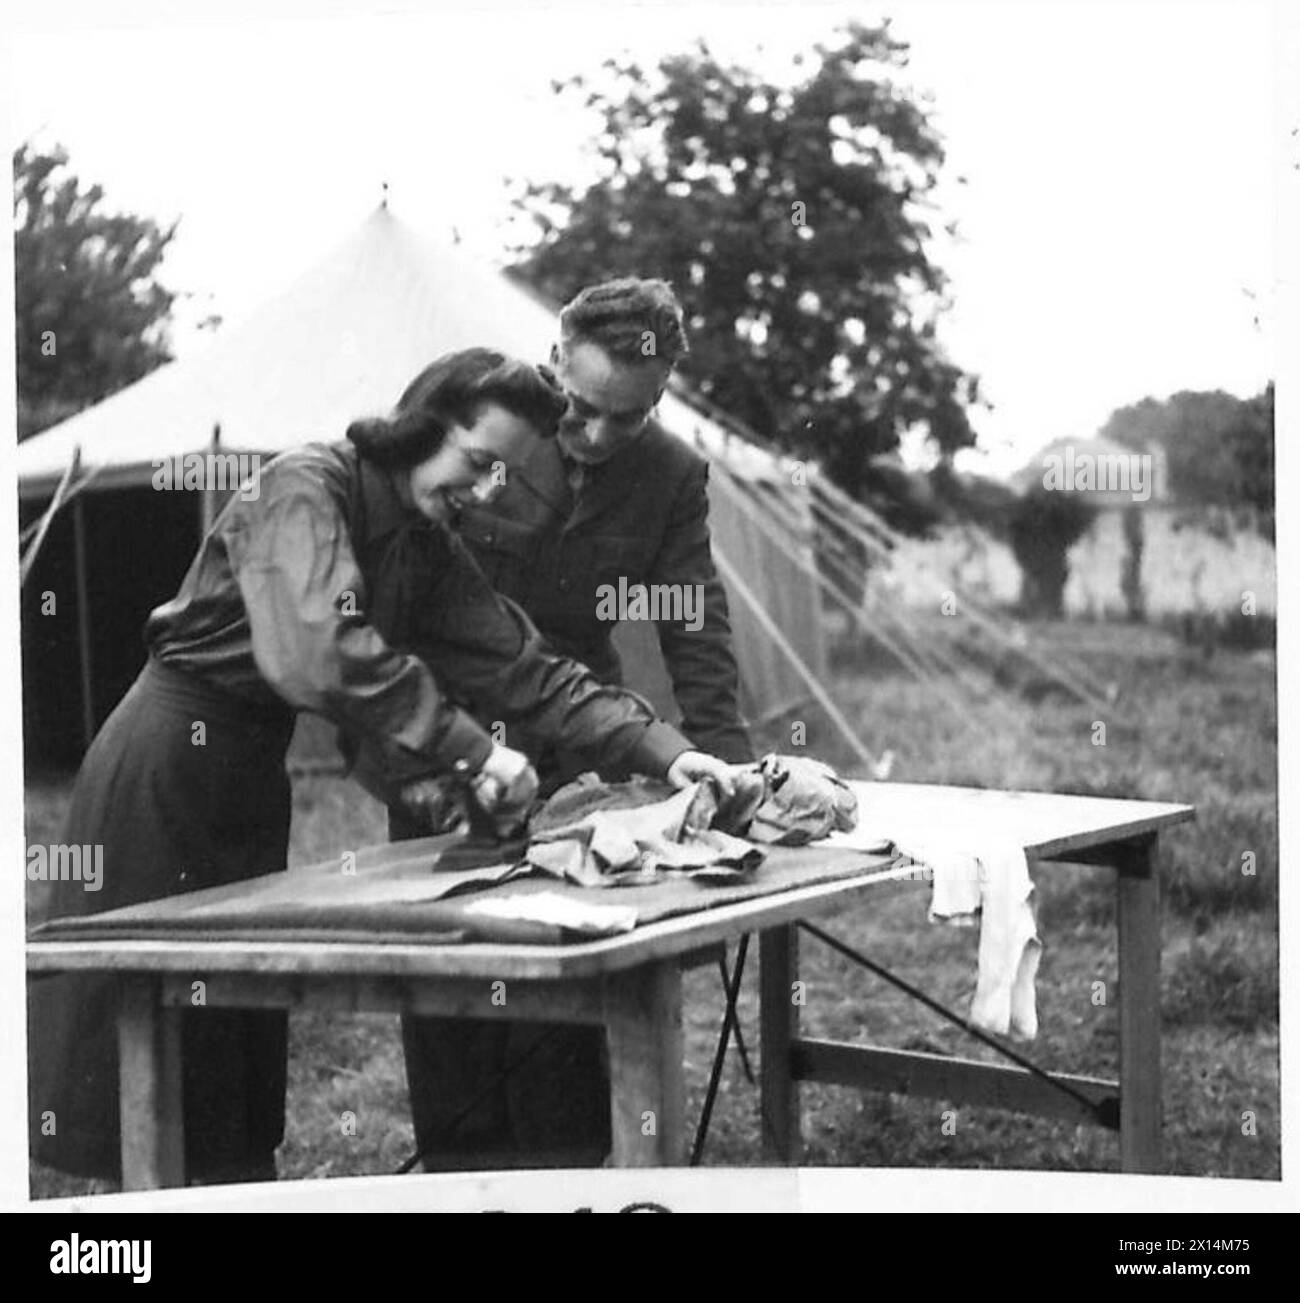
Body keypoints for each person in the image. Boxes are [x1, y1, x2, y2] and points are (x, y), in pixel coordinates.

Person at [27, 347, 734, 1188]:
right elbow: (318, 653)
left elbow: (530, 669)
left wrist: (675, 753)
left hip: (249, 775)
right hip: (164, 768)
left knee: (224, 1059)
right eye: (475, 463)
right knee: (147, 1040)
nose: (482, 492)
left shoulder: (423, 544)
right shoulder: (300, 486)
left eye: (500, 475)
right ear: (419, 426)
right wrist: (475, 748)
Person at [399, 280, 755, 1169]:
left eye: (624, 421)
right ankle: (458, 1171)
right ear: (553, 360)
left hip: (579, 742)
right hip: (447, 732)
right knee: (448, 974)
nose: (593, 436)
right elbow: (398, 599)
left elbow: (691, 622)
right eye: (582, 408)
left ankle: (564, 1172)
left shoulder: (671, 475)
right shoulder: (481, 427)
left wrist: (731, 771)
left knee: (561, 974)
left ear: (658, 401)